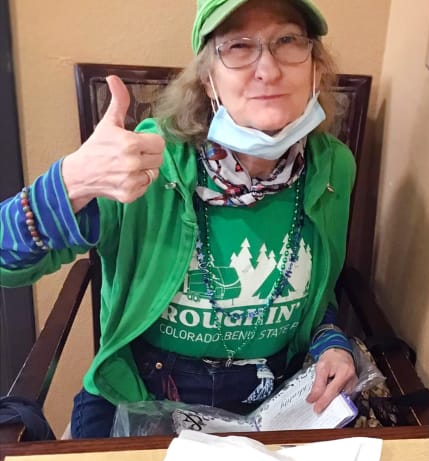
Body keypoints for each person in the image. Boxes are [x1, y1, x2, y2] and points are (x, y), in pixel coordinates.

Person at [0, 0, 358, 438]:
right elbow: (6, 263)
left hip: (270, 398)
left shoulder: (333, 168)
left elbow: (318, 295)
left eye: (287, 41)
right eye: (239, 47)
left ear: (315, 68)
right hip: (140, 392)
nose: (268, 69)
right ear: (209, 80)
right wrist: (69, 184)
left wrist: (331, 344)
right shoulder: (145, 162)